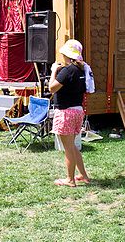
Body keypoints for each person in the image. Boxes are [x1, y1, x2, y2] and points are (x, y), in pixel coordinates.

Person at [49, 39, 90, 187]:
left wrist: (54, 71)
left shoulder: (67, 70)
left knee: (68, 148)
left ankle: (70, 179)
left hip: (65, 112)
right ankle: (83, 175)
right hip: (77, 111)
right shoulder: (81, 69)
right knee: (72, 146)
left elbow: (52, 88)